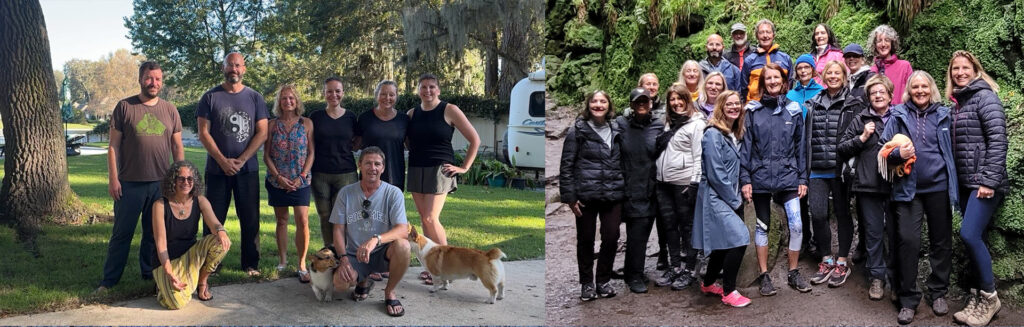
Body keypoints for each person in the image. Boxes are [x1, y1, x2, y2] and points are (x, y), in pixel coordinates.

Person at [877, 70, 958, 325]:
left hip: (938, 187)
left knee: (941, 241)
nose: (920, 91)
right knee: (908, 242)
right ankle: (908, 298)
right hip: (907, 189)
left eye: (924, 86)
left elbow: (954, 149)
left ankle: (938, 291)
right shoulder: (898, 115)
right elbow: (883, 151)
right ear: (909, 91)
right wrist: (898, 153)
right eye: (915, 87)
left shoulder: (945, 114)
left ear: (931, 88)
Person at [97, 61, 185, 292]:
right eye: (149, 78)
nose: (153, 83)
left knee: (153, 234)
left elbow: (177, 148)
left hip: (160, 184)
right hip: (129, 184)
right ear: (140, 79)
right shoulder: (125, 107)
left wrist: (180, 178)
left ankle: (149, 273)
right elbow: (113, 146)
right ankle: (109, 281)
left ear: (161, 81)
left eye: (157, 79)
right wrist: (113, 179)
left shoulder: (170, 110)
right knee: (121, 234)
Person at [946, 51, 1008, 326]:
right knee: (975, 239)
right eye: (955, 69)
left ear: (975, 70)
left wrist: (988, 181)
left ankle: (990, 298)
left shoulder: (985, 98)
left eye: (965, 68)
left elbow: (998, 140)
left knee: (969, 234)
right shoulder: (958, 104)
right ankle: (977, 296)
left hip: (984, 183)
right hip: (966, 183)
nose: (960, 72)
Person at [739, 63, 810, 296]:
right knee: (762, 226)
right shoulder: (752, 110)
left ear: (783, 81)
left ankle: (793, 271)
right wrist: (745, 179)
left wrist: (802, 178)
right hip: (759, 178)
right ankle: (764, 274)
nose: (772, 82)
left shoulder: (794, 110)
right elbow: (746, 147)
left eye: (776, 78)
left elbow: (801, 147)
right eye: (767, 78)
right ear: (762, 83)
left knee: (797, 224)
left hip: (789, 176)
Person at [195, 52, 268, 276]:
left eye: (237, 65)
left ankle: (250, 264)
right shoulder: (210, 97)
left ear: (244, 68)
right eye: (229, 65)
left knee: (250, 218)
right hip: (217, 170)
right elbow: (203, 132)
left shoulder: (255, 97)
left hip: (247, 170)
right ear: (223, 68)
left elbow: (262, 132)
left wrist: (242, 159)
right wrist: (222, 161)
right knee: (213, 218)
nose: (233, 69)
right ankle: (212, 263)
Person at [406, 73, 481, 285]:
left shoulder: (449, 110)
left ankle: (446, 268)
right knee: (424, 220)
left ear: (438, 90)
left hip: (440, 170)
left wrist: (464, 167)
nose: (427, 91)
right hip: (416, 168)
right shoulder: (412, 113)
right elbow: (407, 141)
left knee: (431, 217)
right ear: (418, 90)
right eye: (423, 87)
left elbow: (475, 139)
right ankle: (433, 267)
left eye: (432, 87)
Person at [329, 146, 411, 317]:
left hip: (383, 252)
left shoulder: (393, 193)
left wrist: (376, 240)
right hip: (355, 254)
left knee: (403, 246)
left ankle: (390, 292)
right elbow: (338, 229)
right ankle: (363, 281)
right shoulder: (346, 193)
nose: (372, 168)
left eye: (377, 164)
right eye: (368, 163)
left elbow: (402, 229)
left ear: (383, 168)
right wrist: (343, 259)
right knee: (340, 284)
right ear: (360, 165)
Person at [559, 90, 624, 301]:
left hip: (612, 194)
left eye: (603, 101)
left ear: (609, 105)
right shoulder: (577, 131)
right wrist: (569, 197)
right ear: (588, 105)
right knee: (586, 239)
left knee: (612, 237)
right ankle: (587, 283)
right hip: (585, 195)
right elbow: (566, 165)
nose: (598, 105)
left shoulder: (616, 129)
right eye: (594, 101)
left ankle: (603, 280)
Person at [836, 74, 897, 301]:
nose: (878, 96)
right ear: (868, 97)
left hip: (896, 185)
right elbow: (842, 148)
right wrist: (862, 137)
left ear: (891, 95)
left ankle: (896, 278)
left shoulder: (899, 117)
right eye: (873, 93)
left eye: (882, 92)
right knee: (872, 234)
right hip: (868, 185)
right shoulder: (861, 119)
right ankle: (876, 278)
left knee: (896, 232)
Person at [693, 90, 750, 307]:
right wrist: (735, 202)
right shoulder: (713, 134)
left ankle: (708, 283)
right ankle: (729, 291)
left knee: (723, 244)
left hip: (728, 196)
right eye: (729, 104)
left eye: (737, 104)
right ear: (721, 107)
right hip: (715, 197)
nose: (734, 107)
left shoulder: (733, 133)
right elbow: (716, 173)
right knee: (740, 237)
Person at [804, 60, 858, 288]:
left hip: (840, 169)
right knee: (817, 213)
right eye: (830, 73)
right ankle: (826, 258)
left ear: (844, 77)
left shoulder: (852, 103)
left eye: (838, 73)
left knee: (843, 214)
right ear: (823, 77)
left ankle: (843, 260)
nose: (833, 76)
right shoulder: (813, 103)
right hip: (817, 168)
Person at [151, 160, 231, 310]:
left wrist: (221, 231)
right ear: (172, 181)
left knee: (221, 242)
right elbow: (160, 243)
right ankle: (163, 285)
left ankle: (202, 282)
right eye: (181, 178)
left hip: (191, 255)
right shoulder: (160, 205)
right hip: (167, 259)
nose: (186, 182)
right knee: (175, 303)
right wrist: (168, 272)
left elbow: (214, 223)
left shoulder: (200, 200)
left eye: (190, 179)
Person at [653, 83, 705, 290]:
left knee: (687, 227)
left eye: (679, 99)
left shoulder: (696, 124)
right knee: (669, 226)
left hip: (684, 183)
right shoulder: (668, 123)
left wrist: (694, 183)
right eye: (672, 100)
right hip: (663, 183)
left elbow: (699, 155)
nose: (676, 103)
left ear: (687, 99)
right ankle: (675, 267)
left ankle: (690, 269)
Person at [263, 83, 314, 282]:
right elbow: (266, 155)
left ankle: (301, 263)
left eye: (291, 98)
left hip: (301, 181)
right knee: (282, 220)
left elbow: (311, 152)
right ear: (279, 102)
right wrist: (278, 177)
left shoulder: (307, 123)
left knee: (302, 221)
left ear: (297, 101)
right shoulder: (272, 125)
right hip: (278, 181)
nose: (288, 101)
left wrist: (301, 176)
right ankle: (283, 260)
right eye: (284, 98)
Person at [617, 87, 664, 294]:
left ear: (651, 103)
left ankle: (633, 271)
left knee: (643, 233)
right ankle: (633, 276)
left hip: (652, 187)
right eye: (638, 102)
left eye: (645, 101)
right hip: (628, 186)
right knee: (635, 233)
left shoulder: (658, 125)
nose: (642, 104)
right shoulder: (620, 125)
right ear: (632, 105)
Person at [311, 77, 361, 249]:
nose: (334, 94)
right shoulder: (315, 117)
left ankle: (345, 251)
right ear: (324, 93)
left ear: (343, 93)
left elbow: (357, 141)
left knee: (343, 215)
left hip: (346, 173)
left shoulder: (351, 117)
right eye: (329, 91)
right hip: (320, 173)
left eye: (337, 91)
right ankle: (330, 250)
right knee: (324, 214)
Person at [842, 42, 876, 262]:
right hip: (851, 140)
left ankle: (866, 247)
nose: (851, 60)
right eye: (848, 57)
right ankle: (862, 245)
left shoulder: (868, 78)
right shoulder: (849, 81)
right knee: (853, 198)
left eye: (855, 56)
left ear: (863, 58)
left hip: (866, 140)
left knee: (865, 199)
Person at [358, 80, 409, 191]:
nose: (387, 98)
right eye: (383, 94)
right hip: (369, 175)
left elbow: (411, 145)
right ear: (377, 96)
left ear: (396, 97)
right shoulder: (364, 118)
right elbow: (355, 144)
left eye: (391, 94)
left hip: (395, 175)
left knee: (393, 207)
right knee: (368, 207)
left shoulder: (404, 119)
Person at [741, 19, 794, 102]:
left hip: (781, 105)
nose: (765, 35)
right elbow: (744, 88)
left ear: (773, 35)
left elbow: (789, 84)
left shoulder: (785, 59)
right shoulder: (749, 60)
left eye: (768, 32)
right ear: (757, 36)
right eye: (761, 32)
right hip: (756, 107)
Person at [867, 25, 913, 105]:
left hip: (901, 115)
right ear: (875, 45)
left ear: (892, 43)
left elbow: (912, 92)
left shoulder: (904, 66)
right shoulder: (872, 71)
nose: (883, 44)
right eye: (879, 41)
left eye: (887, 40)